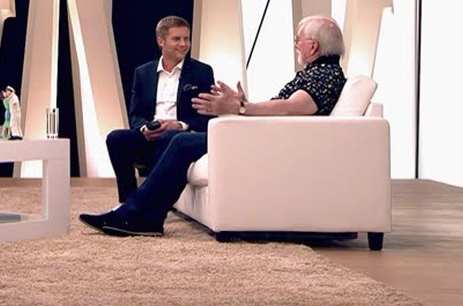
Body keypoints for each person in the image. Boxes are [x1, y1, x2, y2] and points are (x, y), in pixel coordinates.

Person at [80, 15, 348, 236]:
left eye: (298, 40)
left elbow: (293, 107)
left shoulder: (324, 76)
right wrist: (242, 105)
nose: (296, 45)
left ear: (313, 46)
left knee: (180, 140)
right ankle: (137, 211)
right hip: (264, 134)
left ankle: (139, 215)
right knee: (161, 140)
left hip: (267, 138)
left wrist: (241, 108)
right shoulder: (316, 73)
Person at [106, 16, 215, 202]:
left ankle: (149, 200)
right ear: (161, 41)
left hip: (179, 137)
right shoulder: (143, 73)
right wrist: (145, 128)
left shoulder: (202, 72)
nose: (183, 44)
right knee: (116, 138)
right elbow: (136, 114)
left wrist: (180, 125)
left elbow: (207, 116)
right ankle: (128, 201)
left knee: (168, 137)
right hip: (151, 135)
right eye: (177, 39)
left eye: (186, 38)